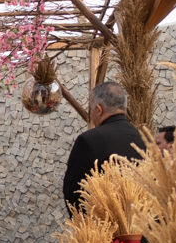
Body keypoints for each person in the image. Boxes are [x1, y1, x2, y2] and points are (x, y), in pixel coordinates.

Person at [62, 81, 145, 214]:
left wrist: (87, 223)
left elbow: (72, 191)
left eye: (91, 109)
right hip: (141, 223)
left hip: (102, 223)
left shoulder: (88, 140)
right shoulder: (144, 139)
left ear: (99, 109)